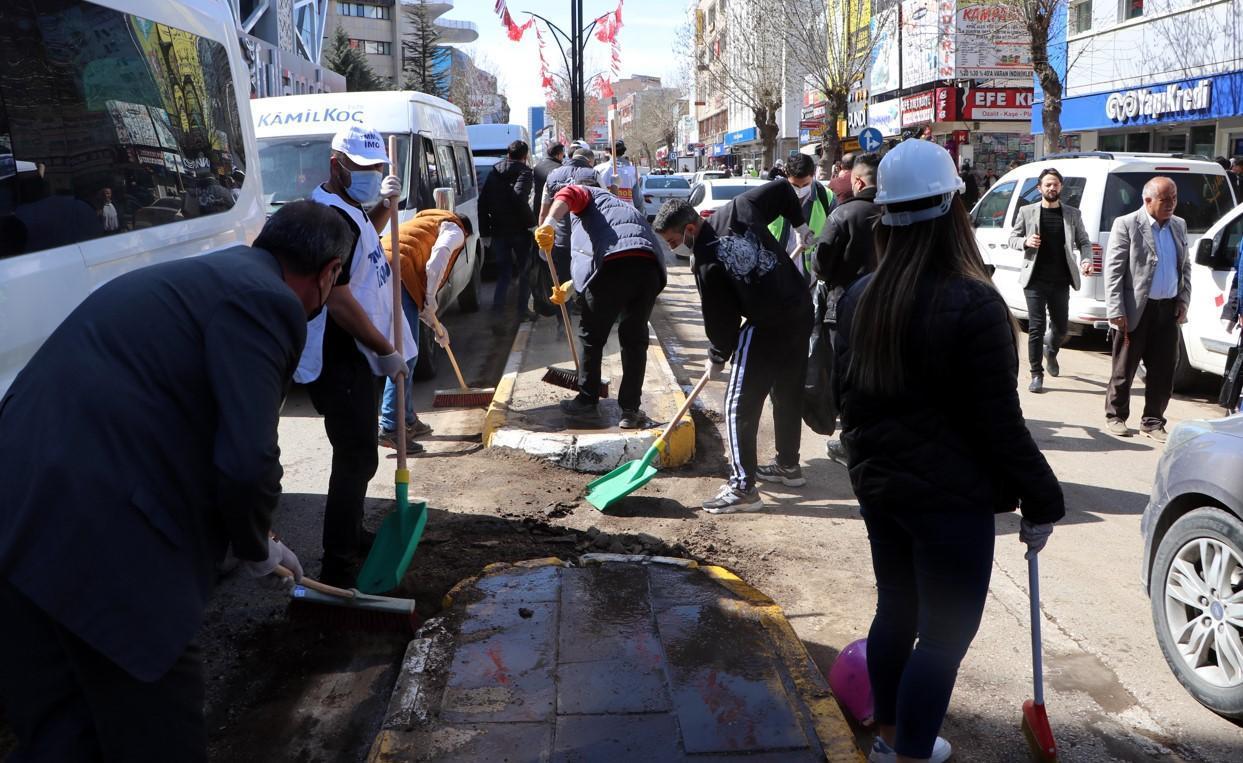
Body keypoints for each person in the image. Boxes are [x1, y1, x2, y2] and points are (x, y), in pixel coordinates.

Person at [0, 201, 355, 761]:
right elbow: (247, 460)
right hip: (101, 530)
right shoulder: (270, 303)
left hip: (17, 510)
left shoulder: (204, 277)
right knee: (158, 733)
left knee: (62, 735)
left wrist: (262, 537)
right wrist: (257, 545)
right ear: (330, 272)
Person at [833, 139, 1064, 763]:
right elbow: (1000, 424)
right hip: (949, 504)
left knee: (896, 612)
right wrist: (1043, 499)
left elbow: (844, 403)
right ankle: (909, 753)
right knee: (942, 637)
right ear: (955, 209)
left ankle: (887, 738)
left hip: (883, 493)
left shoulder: (860, 297)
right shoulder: (976, 303)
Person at [297, 125, 414, 586]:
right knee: (356, 455)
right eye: (361, 170)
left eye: (376, 169)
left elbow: (362, 245)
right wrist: (386, 350)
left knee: (358, 451)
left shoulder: (349, 209)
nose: (369, 176)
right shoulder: (327, 219)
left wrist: (385, 206)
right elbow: (339, 299)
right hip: (339, 355)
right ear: (336, 166)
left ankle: (351, 533)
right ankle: (338, 560)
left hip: (356, 353)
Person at [653, 182, 814, 513]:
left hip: (769, 324)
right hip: (800, 308)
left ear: (689, 228)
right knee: (786, 392)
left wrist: (717, 355)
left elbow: (720, 318)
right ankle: (788, 465)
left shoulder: (705, 260)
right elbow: (784, 191)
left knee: (738, 402)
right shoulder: (739, 209)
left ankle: (743, 487)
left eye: (672, 241)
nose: (673, 249)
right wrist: (799, 224)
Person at [535, 183, 667, 429]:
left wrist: (549, 223)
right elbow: (615, 246)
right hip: (648, 270)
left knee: (592, 337)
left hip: (612, 270)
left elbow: (569, 193)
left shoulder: (589, 194)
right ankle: (629, 411)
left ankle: (587, 401)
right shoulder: (622, 208)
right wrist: (573, 286)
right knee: (634, 340)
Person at [378, 188, 473, 451]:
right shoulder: (454, 229)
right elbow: (436, 261)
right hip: (398, 273)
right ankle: (391, 426)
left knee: (410, 351)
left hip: (384, 270)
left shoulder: (425, 222)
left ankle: (407, 418)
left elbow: (419, 299)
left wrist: (435, 325)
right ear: (466, 231)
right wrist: (430, 298)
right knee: (405, 354)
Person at [1103, 176, 1191, 442]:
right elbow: (1114, 270)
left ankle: (1153, 421)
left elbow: (1184, 267)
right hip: (1135, 310)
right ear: (1147, 200)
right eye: (1165, 200)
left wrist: (1184, 300)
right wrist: (1116, 309)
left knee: (1164, 369)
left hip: (1168, 310)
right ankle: (1116, 415)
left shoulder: (1179, 225)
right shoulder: (1128, 224)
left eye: (1174, 198)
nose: (1171, 204)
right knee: (1124, 367)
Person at [813, 152, 881, 466]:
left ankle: (850, 442)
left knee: (847, 377)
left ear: (856, 180)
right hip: (888, 306)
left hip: (844, 308)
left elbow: (821, 265)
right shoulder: (897, 212)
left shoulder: (843, 214)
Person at [1007, 167, 1093, 393]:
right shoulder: (1027, 212)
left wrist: (1086, 260)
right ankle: (1036, 374)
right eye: (1047, 184)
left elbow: (1084, 242)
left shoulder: (1072, 214)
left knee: (1061, 327)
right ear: (1040, 188)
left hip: (1061, 280)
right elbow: (1012, 239)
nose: (1051, 188)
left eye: (1055, 184)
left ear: (1061, 187)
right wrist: (1025, 242)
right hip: (1035, 279)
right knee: (1036, 327)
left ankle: (1051, 350)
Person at [479, 139, 536, 315]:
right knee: (525, 271)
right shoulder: (525, 172)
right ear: (525, 156)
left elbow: (483, 202)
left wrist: (485, 232)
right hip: (519, 230)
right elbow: (519, 198)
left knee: (504, 272)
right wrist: (532, 224)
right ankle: (522, 310)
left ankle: (498, 310)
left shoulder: (494, 171)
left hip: (498, 230)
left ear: (508, 154)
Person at [539, 146, 601, 302]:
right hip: (587, 241)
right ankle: (585, 314)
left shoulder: (552, 176)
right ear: (589, 161)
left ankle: (562, 321)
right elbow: (606, 208)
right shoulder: (593, 175)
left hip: (562, 240)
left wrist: (542, 241)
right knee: (588, 280)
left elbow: (543, 212)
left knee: (562, 286)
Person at [769, 153, 832, 279]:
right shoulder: (772, 196)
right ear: (787, 175)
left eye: (805, 185)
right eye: (795, 185)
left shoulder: (827, 197)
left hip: (810, 276)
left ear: (813, 175)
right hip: (777, 272)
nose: (800, 190)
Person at [597, 139, 643, 215]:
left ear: (608, 151)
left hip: (605, 215)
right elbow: (638, 200)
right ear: (623, 151)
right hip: (628, 215)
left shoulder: (599, 170)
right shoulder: (633, 172)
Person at [532, 142, 566, 222]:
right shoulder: (560, 168)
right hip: (553, 209)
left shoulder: (537, 167)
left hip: (538, 207)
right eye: (563, 155)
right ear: (559, 154)